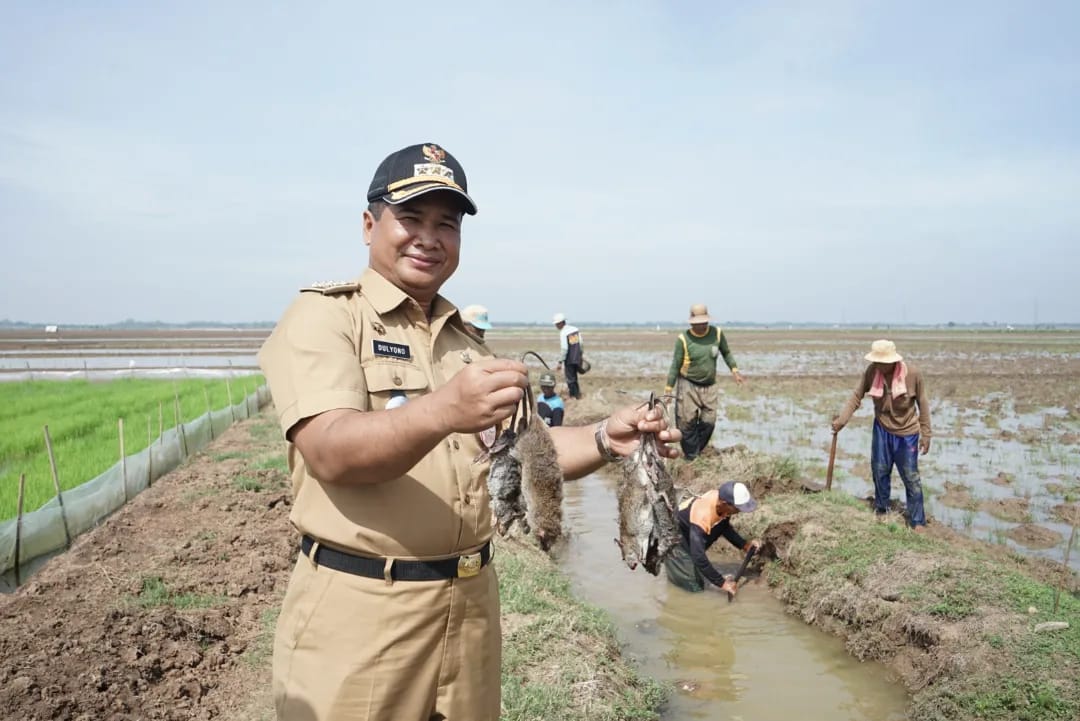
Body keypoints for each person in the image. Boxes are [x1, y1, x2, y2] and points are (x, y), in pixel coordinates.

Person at [257, 142, 682, 721]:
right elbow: (330, 449)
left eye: (446, 224)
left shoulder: (467, 345)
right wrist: (442, 409)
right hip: (362, 609)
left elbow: (525, 453)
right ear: (368, 224)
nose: (429, 238)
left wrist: (609, 439)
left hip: (471, 607)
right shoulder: (328, 317)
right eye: (411, 218)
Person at [831, 339, 932, 532]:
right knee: (880, 471)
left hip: (907, 433)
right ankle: (882, 510)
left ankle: (918, 521)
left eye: (882, 363)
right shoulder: (871, 372)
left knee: (911, 477)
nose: (878, 366)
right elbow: (856, 397)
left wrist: (926, 433)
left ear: (893, 361)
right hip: (882, 428)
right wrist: (841, 422)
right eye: (876, 362)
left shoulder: (913, 374)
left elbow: (923, 402)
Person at [664, 303, 745, 459]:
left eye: (704, 323)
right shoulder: (683, 339)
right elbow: (675, 364)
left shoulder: (717, 334)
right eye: (697, 323)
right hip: (688, 385)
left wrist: (735, 371)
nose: (701, 326)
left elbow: (726, 353)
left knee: (709, 422)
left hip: (709, 385)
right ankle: (691, 457)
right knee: (687, 423)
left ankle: (696, 452)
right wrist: (669, 389)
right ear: (692, 323)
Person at [664, 481, 762, 594]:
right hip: (674, 532)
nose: (739, 512)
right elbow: (699, 557)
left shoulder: (721, 502)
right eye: (737, 509)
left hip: (691, 528)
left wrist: (744, 545)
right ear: (724, 504)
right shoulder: (702, 516)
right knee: (694, 586)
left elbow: (723, 527)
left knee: (697, 557)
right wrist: (722, 583)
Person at [552, 312, 584, 399]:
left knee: (570, 379)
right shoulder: (575, 329)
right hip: (576, 357)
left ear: (561, 323)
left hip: (569, 359)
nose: (556, 326)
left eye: (557, 324)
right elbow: (581, 344)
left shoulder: (563, 333)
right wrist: (580, 355)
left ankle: (574, 396)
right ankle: (578, 396)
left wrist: (560, 362)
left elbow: (564, 349)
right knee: (574, 378)